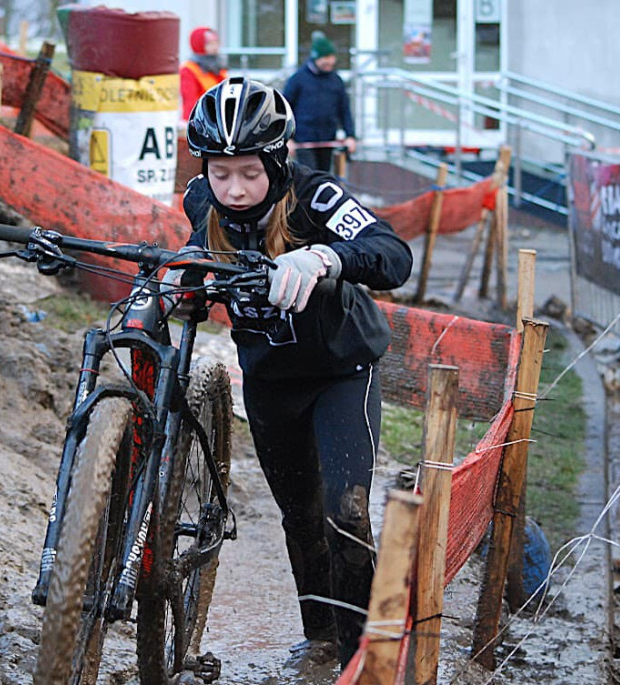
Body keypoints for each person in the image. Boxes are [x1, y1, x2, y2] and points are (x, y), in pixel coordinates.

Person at [167, 77, 413, 671]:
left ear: (278, 162)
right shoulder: (203, 201)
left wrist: (325, 255)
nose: (235, 189)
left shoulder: (318, 198)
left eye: (250, 172)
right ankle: (323, 637)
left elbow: (393, 255)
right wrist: (185, 279)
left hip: (339, 370)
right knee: (300, 514)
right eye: (220, 172)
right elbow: (197, 254)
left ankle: (367, 657)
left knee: (345, 510)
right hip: (270, 377)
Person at [283, 32, 357, 173]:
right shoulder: (298, 79)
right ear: (316, 58)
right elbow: (284, 109)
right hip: (304, 141)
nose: (330, 62)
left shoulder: (336, 80)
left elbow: (344, 109)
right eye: (326, 58)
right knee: (309, 177)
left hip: (327, 139)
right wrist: (287, 138)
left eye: (332, 57)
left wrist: (350, 135)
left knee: (324, 177)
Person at [179, 26, 228, 121]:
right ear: (199, 44)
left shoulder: (219, 67)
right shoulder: (188, 69)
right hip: (201, 120)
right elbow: (190, 103)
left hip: (218, 119)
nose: (215, 47)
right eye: (210, 43)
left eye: (216, 42)